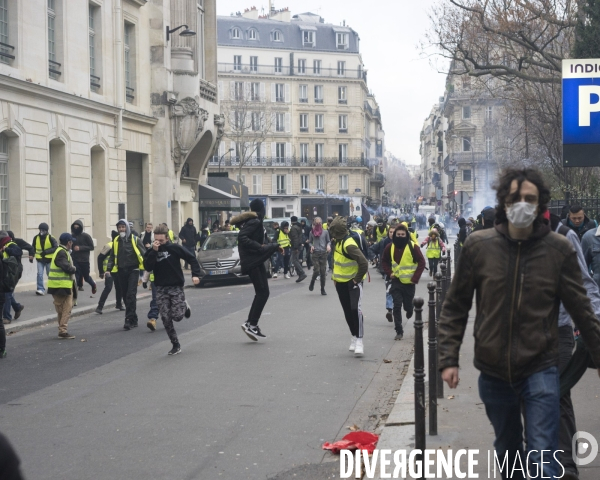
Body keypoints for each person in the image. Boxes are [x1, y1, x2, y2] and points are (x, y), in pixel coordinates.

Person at [438, 168, 600, 480]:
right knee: (509, 451)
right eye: (515, 198)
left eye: (530, 199)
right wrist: (448, 358)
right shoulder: (478, 246)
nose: (522, 204)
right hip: (493, 370)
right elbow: (455, 306)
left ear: (540, 206)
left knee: (542, 454)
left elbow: (582, 307)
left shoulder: (559, 249)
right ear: (503, 203)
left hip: (541, 366)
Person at [143, 224, 199, 355]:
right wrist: (154, 251)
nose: (158, 243)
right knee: (166, 318)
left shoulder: (174, 248)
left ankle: (184, 306)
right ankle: (175, 344)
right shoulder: (152, 251)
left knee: (177, 317)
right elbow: (147, 266)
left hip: (175, 286)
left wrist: (195, 274)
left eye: (161, 241)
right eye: (156, 240)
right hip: (160, 287)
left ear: (167, 238)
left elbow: (192, 258)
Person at [233, 199, 280, 341]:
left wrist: (275, 246)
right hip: (253, 262)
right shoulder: (255, 222)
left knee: (262, 292)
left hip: (255, 261)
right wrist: (258, 247)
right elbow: (242, 237)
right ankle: (251, 324)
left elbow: (262, 241)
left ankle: (251, 323)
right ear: (261, 208)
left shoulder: (254, 221)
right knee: (263, 292)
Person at [329, 216, 369, 356]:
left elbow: (364, 263)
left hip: (353, 282)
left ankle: (359, 340)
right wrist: (335, 278)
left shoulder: (348, 244)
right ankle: (353, 336)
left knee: (354, 309)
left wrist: (356, 280)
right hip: (340, 282)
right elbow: (337, 262)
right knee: (347, 311)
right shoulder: (337, 242)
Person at [382, 223, 426, 340]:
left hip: (410, 283)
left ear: (406, 235)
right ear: (394, 235)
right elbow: (384, 261)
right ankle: (399, 330)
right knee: (396, 305)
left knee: (407, 306)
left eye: (403, 234)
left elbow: (422, 262)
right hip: (396, 281)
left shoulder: (413, 247)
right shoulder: (389, 247)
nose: (400, 236)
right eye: (398, 234)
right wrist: (389, 272)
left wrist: (415, 278)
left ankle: (409, 309)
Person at [106, 219, 146, 330]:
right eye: (119, 227)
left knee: (131, 294)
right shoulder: (116, 241)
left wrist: (150, 267)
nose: (121, 229)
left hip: (133, 270)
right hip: (121, 271)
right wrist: (108, 269)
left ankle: (128, 320)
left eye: (123, 227)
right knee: (125, 295)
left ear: (127, 228)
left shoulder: (135, 240)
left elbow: (145, 254)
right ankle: (134, 318)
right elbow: (112, 257)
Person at [48, 233, 78, 339]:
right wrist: (73, 268)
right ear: (68, 242)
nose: (72, 243)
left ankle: (62, 330)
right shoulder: (61, 252)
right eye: (71, 242)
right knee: (64, 309)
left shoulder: (62, 251)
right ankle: (62, 330)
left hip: (63, 284)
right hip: (60, 285)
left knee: (66, 308)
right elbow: (66, 267)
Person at [2, 232, 30, 325]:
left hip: (13, 273)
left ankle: (7, 317)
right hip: (6, 272)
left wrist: (7, 249)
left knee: (7, 294)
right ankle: (17, 307)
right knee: (7, 293)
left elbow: (19, 252)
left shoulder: (12, 245)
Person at [370, 226, 395, 321]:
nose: (392, 234)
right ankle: (390, 310)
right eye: (391, 232)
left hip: (400, 272)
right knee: (389, 290)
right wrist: (374, 257)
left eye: (394, 232)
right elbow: (371, 249)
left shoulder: (402, 242)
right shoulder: (383, 242)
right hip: (387, 271)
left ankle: (397, 309)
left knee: (398, 292)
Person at [95, 231, 123, 314]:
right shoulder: (109, 246)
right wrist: (101, 272)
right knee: (108, 288)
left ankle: (119, 304)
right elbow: (100, 258)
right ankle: (99, 307)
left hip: (118, 270)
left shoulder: (120, 245)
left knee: (119, 288)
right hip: (109, 271)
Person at [70, 220, 97, 294]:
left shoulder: (86, 236)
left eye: (77, 227)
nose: (76, 228)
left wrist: (80, 248)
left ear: (81, 227)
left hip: (84, 260)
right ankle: (74, 295)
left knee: (86, 277)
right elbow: (69, 246)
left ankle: (93, 284)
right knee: (76, 277)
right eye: (74, 227)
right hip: (75, 260)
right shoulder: (71, 236)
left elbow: (91, 247)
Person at [31, 222, 57, 296]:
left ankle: (52, 287)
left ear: (46, 231)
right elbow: (33, 248)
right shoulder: (36, 238)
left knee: (50, 274)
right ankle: (40, 289)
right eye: (41, 230)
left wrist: (46, 252)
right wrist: (31, 255)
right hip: (40, 259)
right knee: (39, 274)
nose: (42, 231)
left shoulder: (51, 238)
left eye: (43, 230)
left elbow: (55, 247)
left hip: (49, 259)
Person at [308, 217, 331, 295]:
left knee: (323, 272)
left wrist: (328, 246)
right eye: (316, 223)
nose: (318, 225)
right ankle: (312, 281)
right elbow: (310, 242)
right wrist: (311, 246)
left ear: (321, 223)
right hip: (315, 253)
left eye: (319, 223)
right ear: (314, 224)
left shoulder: (325, 232)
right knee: (317, 270)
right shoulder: (311, 232)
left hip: (323, 253)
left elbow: (328, 241)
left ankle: (322, 289)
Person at [289, 216, 307, 283]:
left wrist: (295, 247)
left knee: (294, 260)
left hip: (296, 246)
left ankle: (302, 273)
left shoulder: (294, 228)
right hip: (299, 245)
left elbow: (295, 238)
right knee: (295, 260)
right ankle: (300, 274)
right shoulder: (299, 226)